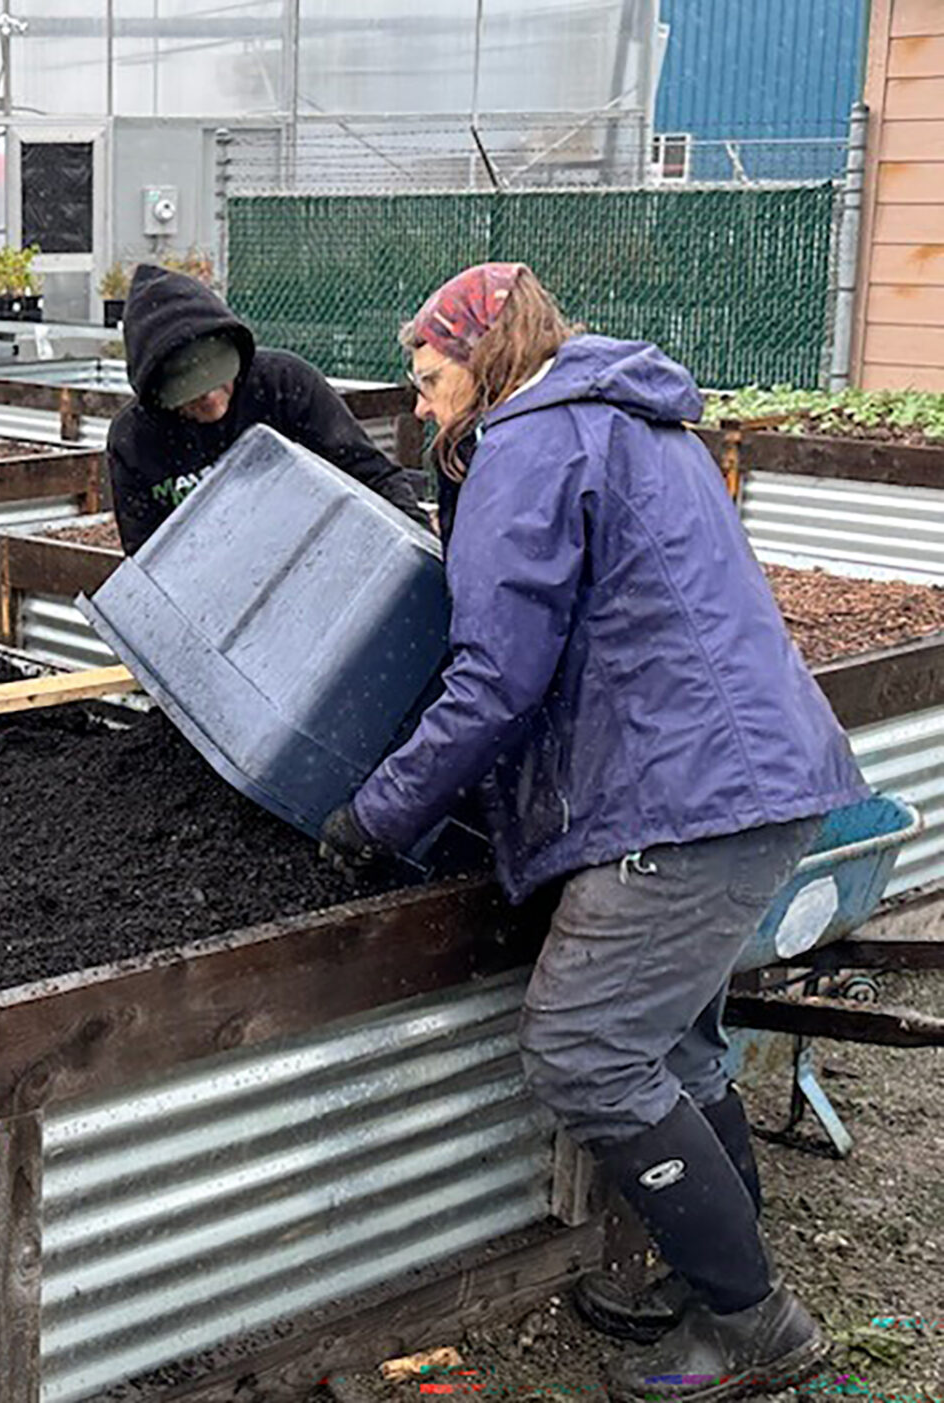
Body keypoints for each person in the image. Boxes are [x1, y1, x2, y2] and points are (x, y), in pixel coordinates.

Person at [316, 264, 866, 1401]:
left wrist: (378, 811)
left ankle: (754, 1323)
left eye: (426, 380)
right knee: (669, 1044)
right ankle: (712, 1275)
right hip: (742, 775)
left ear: (487, 360)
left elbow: (493, 676)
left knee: (582, 1046)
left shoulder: (529, 442)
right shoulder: (621, 418)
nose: (417, 405)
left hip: (686, 793)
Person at [106, 263, 426, 553]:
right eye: (192, 396)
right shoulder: (135, 440)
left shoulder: (283, 385)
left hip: (317, 553)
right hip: (211, 577)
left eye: (219, 383)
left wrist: (423, 546)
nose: (213, 402)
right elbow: (147, 557)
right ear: (160, 395)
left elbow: (370, 474)